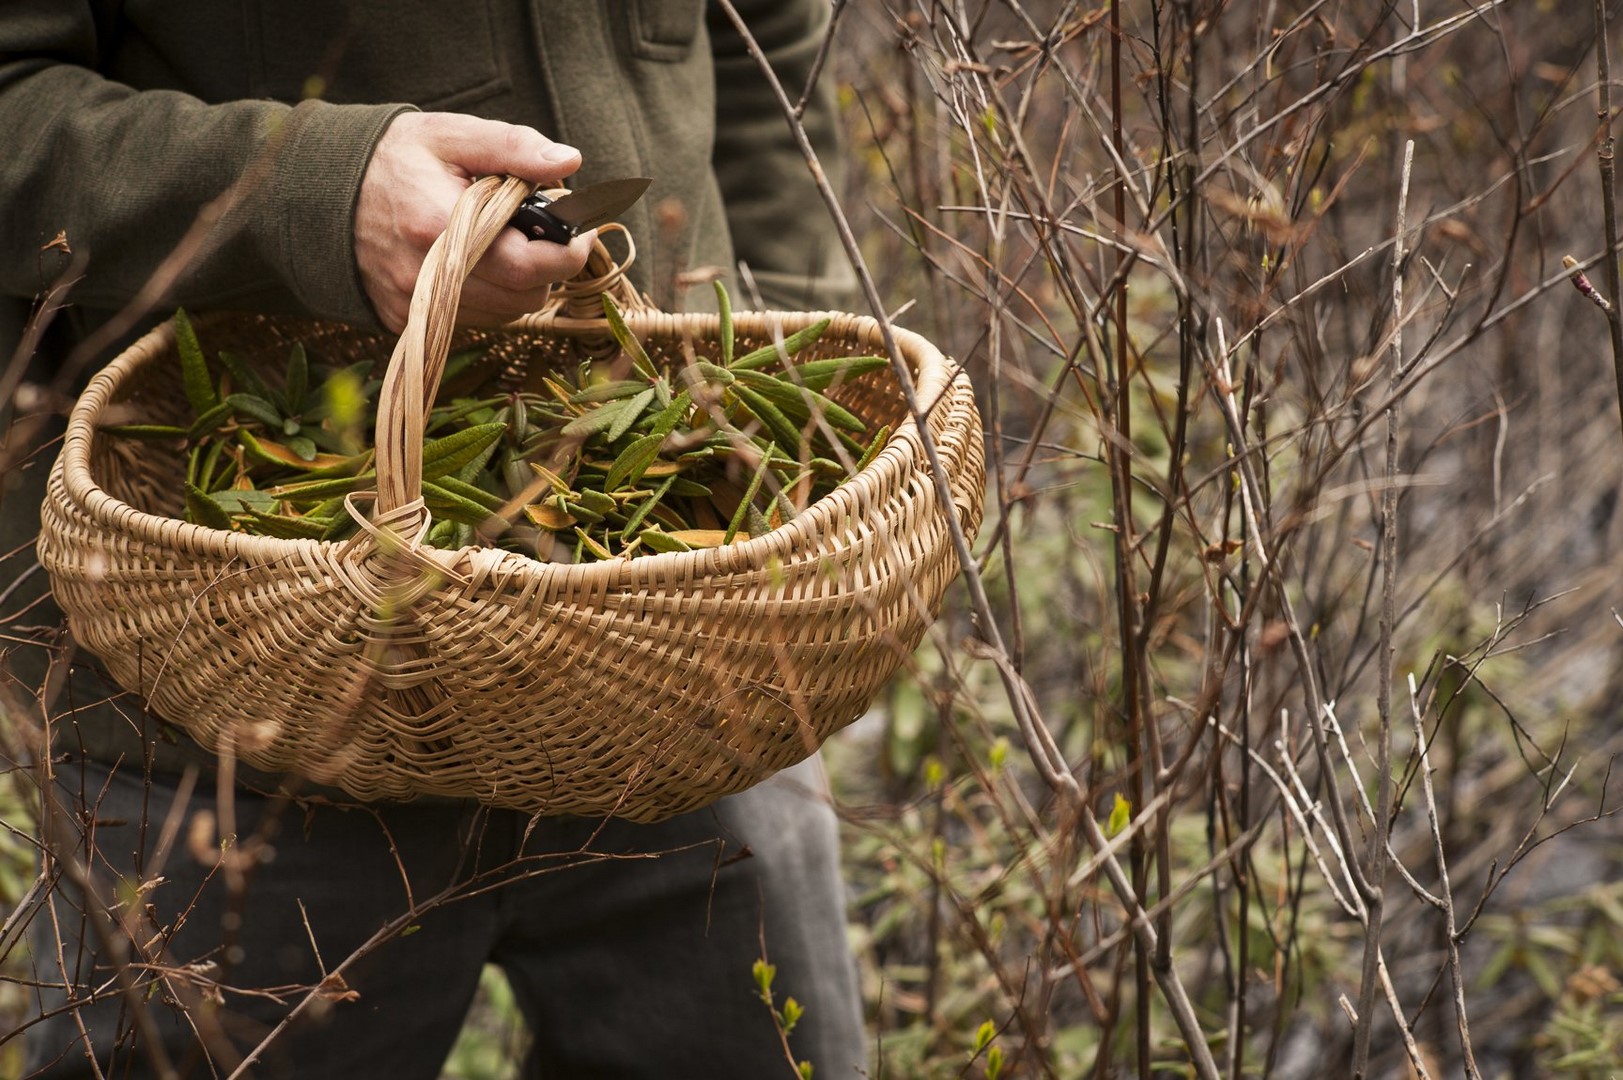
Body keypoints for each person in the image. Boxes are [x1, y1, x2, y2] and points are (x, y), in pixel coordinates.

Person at [0, 3, 865, 1077]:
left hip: (682, 645)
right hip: (240, 670)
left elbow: (762, 31)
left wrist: (787, 347)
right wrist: (316, 190)